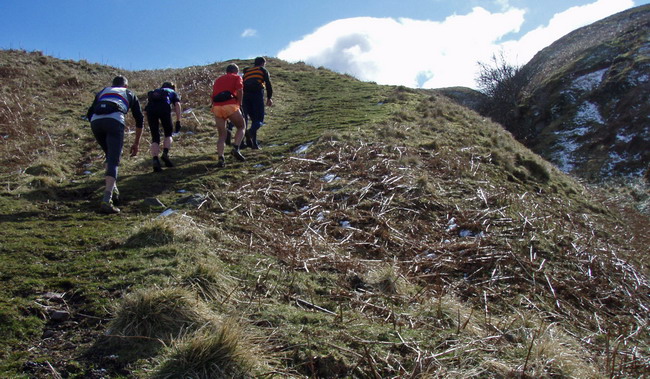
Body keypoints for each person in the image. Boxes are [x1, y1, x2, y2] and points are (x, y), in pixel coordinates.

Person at [86, 75, 144, 214]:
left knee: (109, 155)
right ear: (126, 85)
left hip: (96, 122)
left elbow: (89, 113)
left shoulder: (103, 91)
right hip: (114, 121)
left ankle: (114, 190)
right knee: (114, 160)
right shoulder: (129, 93)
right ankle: (107, 200)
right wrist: (136, 143)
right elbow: (139, 119)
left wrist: (98, 126)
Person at [211, 64, 247, 167]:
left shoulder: (218, 80)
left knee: (222, 135)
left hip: (217, 107)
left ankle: (221, 158)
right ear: (235, 70)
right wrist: (239, 104)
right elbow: (240, 90)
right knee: (241, 126)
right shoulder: (236, 77)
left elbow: (213, 95)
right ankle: (236, 148)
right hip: (230, 105)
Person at [145, 81, 182, 172]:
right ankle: (165, 153)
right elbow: (177, 105)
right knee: (168, 133)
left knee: (155, 137)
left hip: (151, 110)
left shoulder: (155, 92)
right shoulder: (172, 92)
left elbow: (145, 111)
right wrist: (178, 120)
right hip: (164, 108)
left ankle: (155, 159)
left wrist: (148, 123)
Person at [242, 57, 273, 149]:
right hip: (256, 94)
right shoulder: (262, 70)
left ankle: (254, 144)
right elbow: (268, 83)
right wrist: (269, 97)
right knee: (259, 120)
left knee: (252, 119)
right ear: (263, 63)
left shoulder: (247, 71)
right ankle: (250, 133)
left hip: (245, 96)